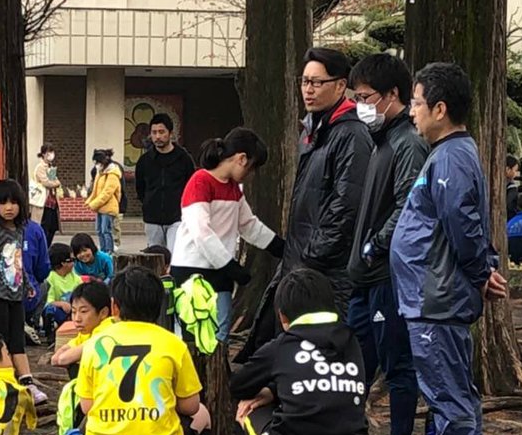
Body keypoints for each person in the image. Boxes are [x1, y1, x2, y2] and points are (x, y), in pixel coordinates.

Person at [389, 62, 507, 435]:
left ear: (440, 108)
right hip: (427, 295)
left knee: (448, 393)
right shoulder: (447, 154)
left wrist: (481, 272)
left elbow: (463, 221)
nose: (412, 112)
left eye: (417, 103)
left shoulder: (452, 158)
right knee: (447, 388)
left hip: (437, 299)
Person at [240, 47, 373, 361]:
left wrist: (313, 255)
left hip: (326, 271)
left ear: (340, 86)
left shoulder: (351, 134)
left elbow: (346, 206)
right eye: (304, 82)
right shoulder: (314, 130)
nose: (308, 90)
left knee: (323, 356)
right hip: (300, 263)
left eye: (317, 82)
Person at [219, 269, 369, 435]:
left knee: (246, 408)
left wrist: (270, 391)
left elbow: (238, 386)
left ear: (283, 317)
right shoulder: (352, 342)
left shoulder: (283, 347)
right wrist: (279, 390)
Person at [346, 53, 428, 435]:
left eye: (366, 97)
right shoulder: (380, 142)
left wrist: (375, 247)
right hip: (363, 276)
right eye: (356, 96)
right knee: (353, 361)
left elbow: (408, 206)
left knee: (398, 363)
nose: (361, 105)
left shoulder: (407, 144)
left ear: (392, 95)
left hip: (388, 275)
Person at [78, 269, 213, 435]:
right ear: (160, 305)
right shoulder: (173, 343)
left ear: (114, 307)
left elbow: (86, 407)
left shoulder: (95, 344)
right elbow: (191, 406)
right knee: (203, 415)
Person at [169, 128, 285, 344]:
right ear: (241, 159)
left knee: (220, 334)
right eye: (251, 168)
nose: (251, 174)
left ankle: (217, 376)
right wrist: (230, 266)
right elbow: (200, 231)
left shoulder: (233, 189)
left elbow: (248, 225)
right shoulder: (200, 181)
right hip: (192, 270)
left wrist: (279, 247)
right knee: (195, 334)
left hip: (220, 271)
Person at [0, 179, 47, 404]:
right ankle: (2, 382)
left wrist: (27, 285)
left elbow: (18, 261)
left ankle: (26, 381)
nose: (9, 207)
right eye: (3, 203)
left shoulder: (19, 230)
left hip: (15, 295)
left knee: (17, 340)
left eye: (14, 202)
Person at [134, 112, 196, 251]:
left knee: (175, 256)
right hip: (152, 218)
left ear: (170, 133)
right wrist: (148, 202)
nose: (157, 136)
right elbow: (140, 187)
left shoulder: (183, 158)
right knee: (155, 258)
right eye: (154, 132)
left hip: (177, 217)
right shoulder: (145, 161)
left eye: (161, 132)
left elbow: (191, 185)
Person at [51, 280, 114, 378]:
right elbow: (55, 359)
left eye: (83, 311)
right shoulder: (87, 331)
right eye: (73, 312)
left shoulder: (107, 328)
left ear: (103, 313)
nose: (77, 319)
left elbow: (63, 359)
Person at [42, 242, 81, 343]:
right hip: (59, 311)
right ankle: (50, 334)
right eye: (72, 260)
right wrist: (61, 304)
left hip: (73, 311)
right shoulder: (50, 278)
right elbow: (48, 301)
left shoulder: (75, 278)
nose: (74, 263)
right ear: (63, 263)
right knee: (50, 310)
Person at [86, 148, 123, 254]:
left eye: (97, 162)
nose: (96, 165)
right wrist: (89, 201)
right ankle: (102, 250)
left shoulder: (112, 175)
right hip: (100, 207)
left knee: (106, 230)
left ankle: (108, 251)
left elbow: (106, 193)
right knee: (99, 230)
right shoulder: (100, 173)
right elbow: (96, 190)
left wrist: (94, 204)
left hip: (109, 207)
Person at [22, 216, 52, 344]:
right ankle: (31, 322)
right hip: (26, 290)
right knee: (44, 285)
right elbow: (43, 269)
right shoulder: (34, 229)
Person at [29, 144, 61, 245]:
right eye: (48, 152)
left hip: (52, 202)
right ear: (43, 154)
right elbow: (47, 182)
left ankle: (47, 248)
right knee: (44, 228)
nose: (51, 155)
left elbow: (54, 180)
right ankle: (42, 249)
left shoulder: (51, 167)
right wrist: (56, 183)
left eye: (52, 152)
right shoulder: (40, 167)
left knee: (52, 228)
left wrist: (55, 183)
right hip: (43, 202)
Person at [505, 154, 521, 220]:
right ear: (508, 169)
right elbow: (510, 205)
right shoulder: (512, 187)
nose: (516, 174)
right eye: (515, 170)